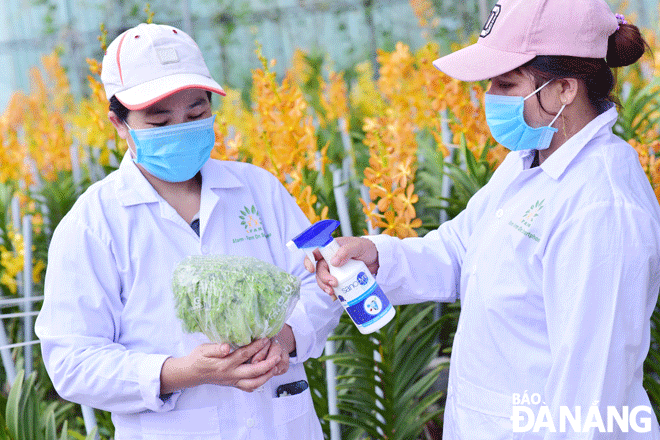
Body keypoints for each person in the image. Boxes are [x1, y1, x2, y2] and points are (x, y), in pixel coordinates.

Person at [311, 0, 660, 438]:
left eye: (506, 83)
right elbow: (461, 249)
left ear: (565, 89)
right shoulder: (528, 161)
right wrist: (376, 256)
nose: (489, 98)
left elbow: (589, 398)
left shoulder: (601, 206)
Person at [34, 23, 341, 440]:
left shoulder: (258, 188)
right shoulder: (94, 223)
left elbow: (320, 281)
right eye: (160, 123)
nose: (181, 128)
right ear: (119, 123)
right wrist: (178, 373)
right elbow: (72, 361)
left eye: (196, 114)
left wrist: (286, 338)